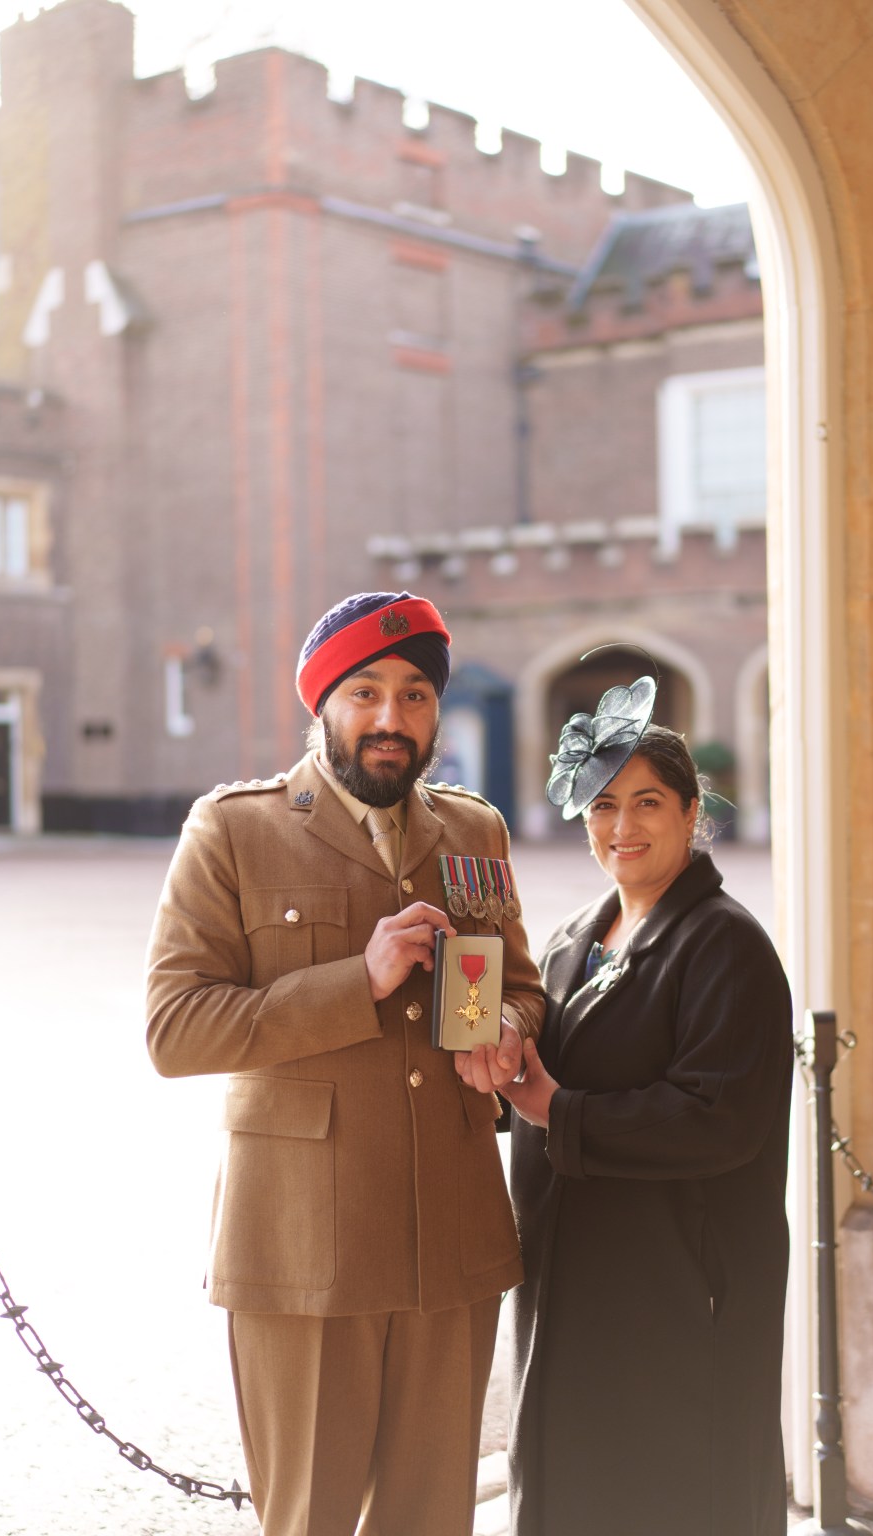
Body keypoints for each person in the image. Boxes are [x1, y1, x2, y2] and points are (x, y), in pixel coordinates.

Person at [145, 590, 544, 1536]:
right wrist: (353, 982)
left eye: (413, 695)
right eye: (363, 693)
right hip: (302, 1246)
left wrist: (511, 1032)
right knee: (313, 1520)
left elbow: (520, 985)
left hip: (449, 1237)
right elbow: (175, 1028)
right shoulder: (234, 830)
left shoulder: (475, 832)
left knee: (430, 1521)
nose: (389, 720)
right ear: (321, 704)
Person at [502, 674, 793, 1536]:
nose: (621, 828)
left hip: (679, 1285)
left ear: (692, 810)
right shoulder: (571, 941)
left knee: (674, 1488)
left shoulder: (726, 944)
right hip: (576, 1278)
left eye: (648, 803)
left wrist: (561, 1112)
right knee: (579, 1482)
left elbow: (717, 1117)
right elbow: (537, 1078)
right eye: (602, 806)